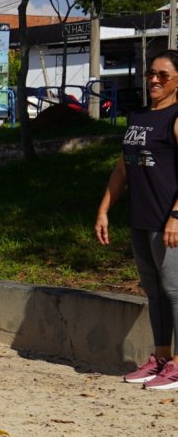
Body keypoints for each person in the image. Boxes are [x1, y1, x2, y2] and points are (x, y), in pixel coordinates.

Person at [96, 49, 178, 390]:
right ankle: (161, 358)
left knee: (175, 290)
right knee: (154, 291)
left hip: (168, 220)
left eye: (163, 75)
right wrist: (104, 209)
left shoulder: (176, 117)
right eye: (150, 74)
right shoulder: (138, 117)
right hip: (141, 217)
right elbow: (122, 168)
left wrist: (176, 215)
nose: (154, 80)